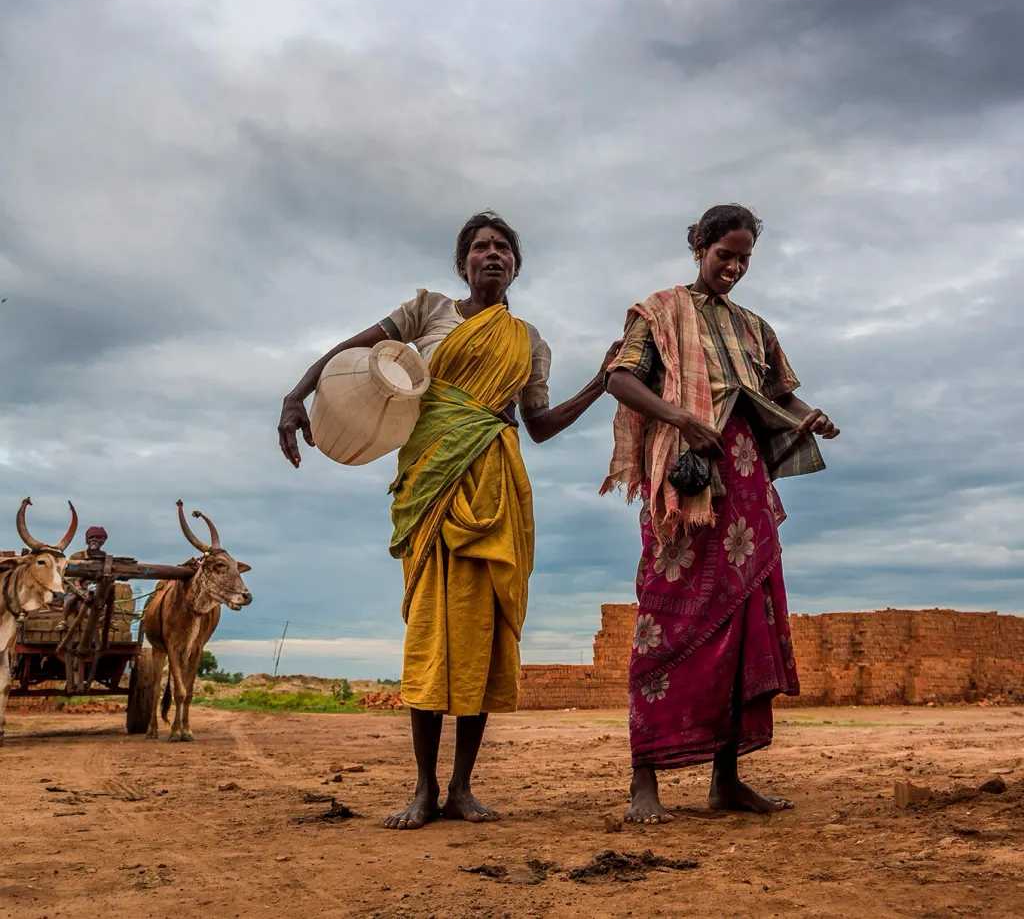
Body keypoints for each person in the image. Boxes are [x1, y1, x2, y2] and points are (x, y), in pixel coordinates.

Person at [278, 211, 620, 830]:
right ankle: (423, 789)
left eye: (502, 249)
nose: (492, 255)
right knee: (431, 634)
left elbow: (538, 425)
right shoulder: (428, 312)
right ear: (462, 263)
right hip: (432, 488)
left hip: (495, 486)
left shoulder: (530, 340)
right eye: (480, 248)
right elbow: (352, 350)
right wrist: (295, 394)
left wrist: (600, 381)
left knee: (483, 636)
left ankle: (461, 788)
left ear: (515, 264)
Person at [601, 203, 839, 822]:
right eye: (723, 255)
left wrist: (811, 414)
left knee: (742, 629)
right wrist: (680, 417)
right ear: (699, 248)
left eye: (743, 259)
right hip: (687, 486)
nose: (733, 268)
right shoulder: (658, 312)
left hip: (746, 489)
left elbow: (782, 395)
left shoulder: (756, 328)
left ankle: (725, 782)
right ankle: (643, 782)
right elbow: (621, 380)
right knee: (664, 620)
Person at [58, 525, 107, 633]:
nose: (94, 540)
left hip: (95, 587)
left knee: (109, 600)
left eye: (98, 537)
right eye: (91, 537)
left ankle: (110, 621)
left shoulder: (105, 558)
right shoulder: (76, 556)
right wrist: (79, 588)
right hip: (76, 587)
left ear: (103, 540)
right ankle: (64, 621)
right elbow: (70, 578)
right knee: (70, 599)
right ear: (87, 540)